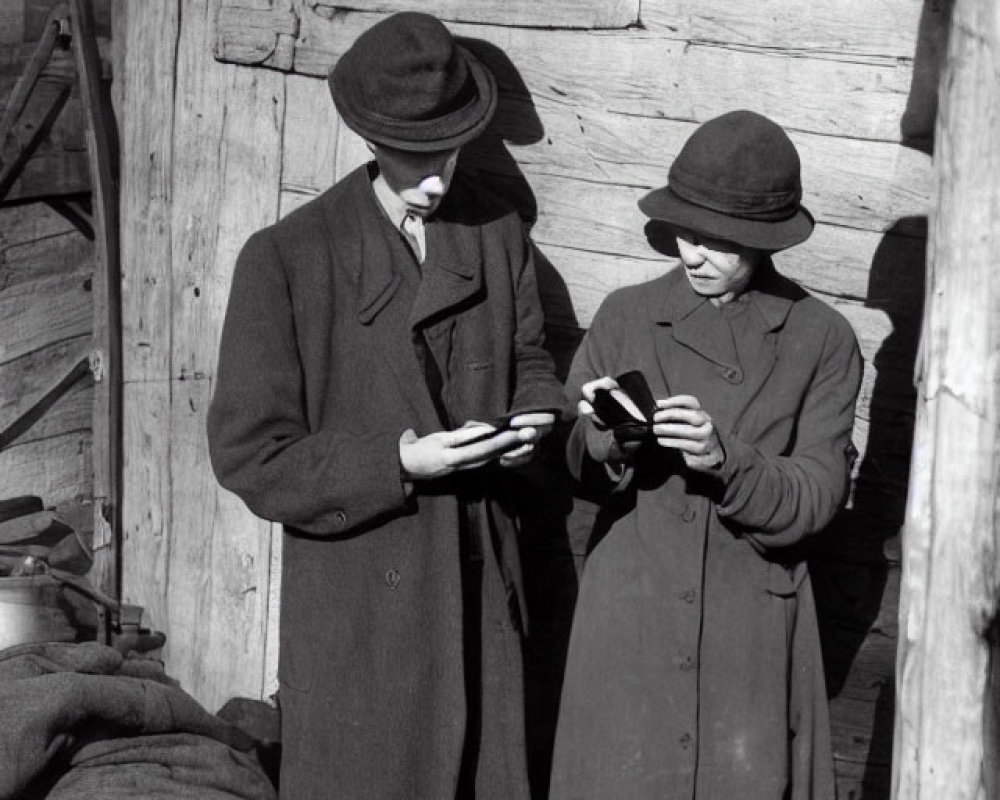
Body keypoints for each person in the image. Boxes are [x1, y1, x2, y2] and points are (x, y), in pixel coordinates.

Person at [206, 12, 563, 799]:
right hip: (364, 607)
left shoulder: (495, 232)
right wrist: (397, 461)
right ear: (368, 139)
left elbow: (531, 358)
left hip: (477, 591)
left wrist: (535, 417)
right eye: (415, 157)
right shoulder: (287, 260)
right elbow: (250, 455)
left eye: (450, 150)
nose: (438, 179)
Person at [548, 110, 862, 799]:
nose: (692, 255)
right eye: (685, 233)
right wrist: (606, 435)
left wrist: (726, 459)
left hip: (746, 629)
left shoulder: (822, 338)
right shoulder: (626, 314)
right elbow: (567, 454)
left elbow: (815, 498)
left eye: (719, 243)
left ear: (766, 241)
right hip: (631, 618)